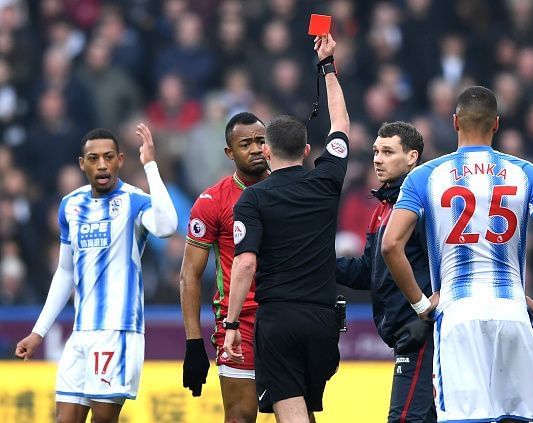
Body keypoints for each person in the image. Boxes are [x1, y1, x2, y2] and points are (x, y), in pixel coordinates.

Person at [381, 86, 533, 423]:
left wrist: (422, 305)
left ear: (455, 122)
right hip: (513, 313)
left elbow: (390, 244)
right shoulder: (527, 173)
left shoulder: (425, 176)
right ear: (496, 124)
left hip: (458, 315)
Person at [223, 33, 349, 423]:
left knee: (291, 412)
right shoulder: (326, 180)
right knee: (304, 412)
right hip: (324, 320)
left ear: (265, 150)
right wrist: (327, 67)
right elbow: (341, 122)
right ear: (308, 151)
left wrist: (230, 324)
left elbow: (244, 265)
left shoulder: (253, 199)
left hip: (279, 320)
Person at [15, 125, 178, 423]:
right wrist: (39, 331)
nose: (101, 164)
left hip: (118, 330)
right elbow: (65, 272)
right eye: (93, 158)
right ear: (82, 164)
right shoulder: (71, 205)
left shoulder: (134, 200)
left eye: (107, 157)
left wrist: (151, 165)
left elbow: (167, 227)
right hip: (81, 332)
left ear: (119, 160)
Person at [336, 121, 436, 423]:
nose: (377, 159)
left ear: (412, 157)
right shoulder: (382, 207)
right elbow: (369, 272)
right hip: (407, 331)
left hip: (421, 332)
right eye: (376, 151)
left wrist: (426, 312)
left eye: (388, 152)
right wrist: (317, 263)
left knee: (403, 419)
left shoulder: (424, 203)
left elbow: (449, 264)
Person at [179, 112, 268, 423]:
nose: (257, 148)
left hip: (287, 316)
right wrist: (193, 343)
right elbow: (189, 275)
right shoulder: (212, 201)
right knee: (240, 416)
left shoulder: (290, 189)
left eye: (261, 140)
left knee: (297, 415)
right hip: (238, 324)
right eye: (246, 144)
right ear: (230, 153)